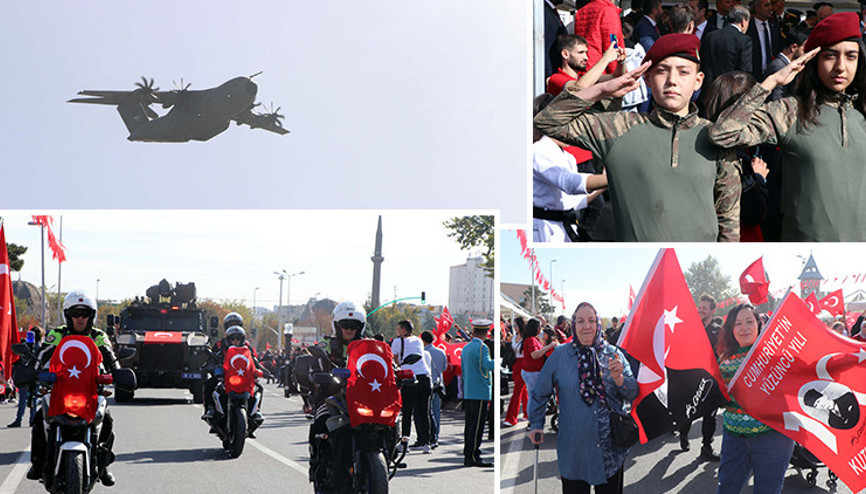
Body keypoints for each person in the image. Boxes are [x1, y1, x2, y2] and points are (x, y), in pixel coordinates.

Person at [535, 33, 742, 242]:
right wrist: (602, 89)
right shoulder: (619, 128)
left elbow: (728, 221)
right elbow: (548, 121)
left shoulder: (715, 136)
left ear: (698, 81)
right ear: (647, 79)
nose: (672, 81)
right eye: (662, 71)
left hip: (698, 268)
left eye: (683, 72)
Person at [709, 12, 866, 241]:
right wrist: (770, 83)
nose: (841, 67)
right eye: (830, 56)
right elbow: (723, 133)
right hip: (804, 259)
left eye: (851, 57)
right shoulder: (791, 112)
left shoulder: (861, 114)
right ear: (813, 60)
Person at [528, 302, 637, 493]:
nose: (586, 326)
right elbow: (540, 392)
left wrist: (619, 379)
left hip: (609, 451)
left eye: (591, 320)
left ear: (598, 324)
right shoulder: (560, 355)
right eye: (580, 321)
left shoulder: (614, 354)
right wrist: (536, 424)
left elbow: (632, 392)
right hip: (574, 449)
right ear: (573, 324)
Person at [28, 291, 118, 486]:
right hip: (60, 389)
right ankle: (37, 464)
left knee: (107, 419)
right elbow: (44, 353)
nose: (80, 318)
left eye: (84, 314)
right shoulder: (58, 334)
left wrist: (119, 373)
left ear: (91, 316)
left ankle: (103, 466)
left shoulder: (98, 336)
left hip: (90, 391)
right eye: (75, 314)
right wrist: (31, 371)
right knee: (38, 417)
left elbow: (110, 357)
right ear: (67, 316)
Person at [716, 304, 795, 494]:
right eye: (738, 323)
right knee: (727, 487)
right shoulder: (724, 359)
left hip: (773, 439)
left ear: (759, 324)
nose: (744, 328)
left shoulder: (774, 355)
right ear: (731, 329)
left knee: (768, 490)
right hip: (734, 437)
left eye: (749, 321)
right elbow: (719, 398)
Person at [533, 92, 609, 243]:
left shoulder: (568, 157)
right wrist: (611, 178)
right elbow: (569, 183)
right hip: (544, 230)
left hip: (565, 229)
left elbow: (573, 201)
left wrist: (607, 180)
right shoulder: (538, 151)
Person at [677, 294, 722, 460]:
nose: (701, 310)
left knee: (710, 416)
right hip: (691, 380)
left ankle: (706, 447)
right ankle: (683, 434)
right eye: (700, 307)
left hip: (711, 381)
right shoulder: (690, 327)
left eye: (704, 307)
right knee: (689, 412)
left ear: (712, 310)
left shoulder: (718, 330)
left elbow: (723, 353)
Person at [202, 312, 266, 423]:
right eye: (231, 324)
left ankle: (254, 412)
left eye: (236, 324)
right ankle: (210, 409)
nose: (235, 340)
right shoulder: (219, 344)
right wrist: (211, 366)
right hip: (225, 374)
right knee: (210, 383)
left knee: (258, 387)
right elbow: (212, 358)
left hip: (243, 375)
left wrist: (263, 370)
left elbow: (254, 359)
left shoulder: (246, 345)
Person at [391, 320, 433, 453]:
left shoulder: (398, 341)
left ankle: (404, 443)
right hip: (425, 377)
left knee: (407, 412)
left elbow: (393, 358)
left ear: (404, 330)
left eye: (398, 329)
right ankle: (426, 443)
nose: (397, 331)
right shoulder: (419, 340)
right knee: (423, 412)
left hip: (409, 377)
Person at [461, 319, 494, 468]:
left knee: (470, 425)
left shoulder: (466, 347)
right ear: (485, 332)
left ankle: (469, 453)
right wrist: (498, 362)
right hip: (480, 391)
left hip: (469, 390)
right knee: (477, 426)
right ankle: (473, 455)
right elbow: (486, 365)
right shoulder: (482, 348)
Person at [700, 6, 754, 90]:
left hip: (709, 88)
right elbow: (745, 70)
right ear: (743, 21)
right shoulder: (744, 40)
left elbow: (703, 62)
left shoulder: (710, 36)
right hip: (731, 90)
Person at [572, 0, 625, 77]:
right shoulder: (608, 10)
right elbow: (612, 44)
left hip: (583, 66)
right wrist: (617, 74)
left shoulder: (581, 11)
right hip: (601, 71)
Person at [8, 327, 44, 428]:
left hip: (30, 374)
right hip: (33, 374)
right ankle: (30, 420)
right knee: (31, 399)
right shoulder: (31, 347)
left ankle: (22, 420)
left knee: (26, 399)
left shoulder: (39, 347)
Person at [763, 27, 809, 100]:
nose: (806, 54)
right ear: (794, 47)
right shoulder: (779, 66)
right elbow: (775, 99)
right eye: (804, 50)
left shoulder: (784, 65)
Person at [420, 330, 448, 448]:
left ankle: (428, 436)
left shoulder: (422, 353)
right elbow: (444, 367)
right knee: (436, 411)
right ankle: (436, 436)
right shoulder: (441, 352)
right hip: (439, 384)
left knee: (426, 412)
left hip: (427, 384)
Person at [746, 0, 784, 81]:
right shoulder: (748, 27)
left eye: (771, 5)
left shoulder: (775, 27)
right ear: (757, 8)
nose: (771, 8)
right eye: (766, 5)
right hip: (752, 75)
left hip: (772, 74)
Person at [504, 317, 528, 428]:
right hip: (515, 366)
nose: (514, 327)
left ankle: (511, 418)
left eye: (515, 325)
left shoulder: (527, 337)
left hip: (524, 365)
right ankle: (527, 414)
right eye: (513, 325)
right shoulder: (514, 337)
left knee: (517, 391)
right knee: (523, 391)